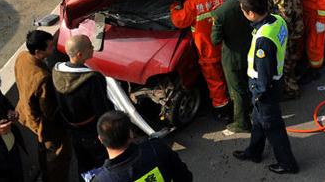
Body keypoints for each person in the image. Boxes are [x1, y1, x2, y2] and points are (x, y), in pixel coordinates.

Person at [232, 0, 299, 175]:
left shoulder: (263, 40)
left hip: (265, 89)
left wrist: (259, 94)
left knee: (274, 128)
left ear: (251, 13)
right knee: (258, 121)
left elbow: (264, 73)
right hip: (274, 83)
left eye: (243, 11)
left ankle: (288, 164)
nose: (243, 14)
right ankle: (254, 152)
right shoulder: (277, 20)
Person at [170, 0, 231, 122]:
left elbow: (179, 21)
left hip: (207, 52)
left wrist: (173, 8)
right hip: (227, 48)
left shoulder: (191, 4)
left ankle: (223, 111)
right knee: (232, 77)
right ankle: (239, 105)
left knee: (215, 82)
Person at [14, 30, 71, 182]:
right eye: (51, 46)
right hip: (45, 125)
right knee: (58, 157)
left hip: (25, 114)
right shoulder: (42, 78)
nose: (54, 48)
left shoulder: (22, 57)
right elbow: (49, 109)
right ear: (39, 52)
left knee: (44, 152)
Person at [53, 34, 113, 178]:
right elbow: (102, 110)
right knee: (102, 163)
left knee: (83, 162)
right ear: (80, 55)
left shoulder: (56, 70)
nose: (93, 47)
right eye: (90, 47)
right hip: (92, 129)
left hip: (72, 128)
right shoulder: (92, 79)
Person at [92, 111, 193, 181]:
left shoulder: (102, 179)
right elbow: (185, 177)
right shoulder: (156, 149)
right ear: (130, 134)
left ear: (100, 139)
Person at [211, 0, 253, 134]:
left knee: (237, 91)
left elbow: (215, 40)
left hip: (232, 58)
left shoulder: (219, 12)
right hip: (250, 52)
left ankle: (241, 123)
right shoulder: (247, 1)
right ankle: (252, 112)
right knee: (250, 85)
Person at [263, 0, 305, 99]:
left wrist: (279, 34)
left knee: (285, 61)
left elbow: (283, 12)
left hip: (287, 28)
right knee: (293, 57)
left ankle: (292, 89)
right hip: (297, 22)